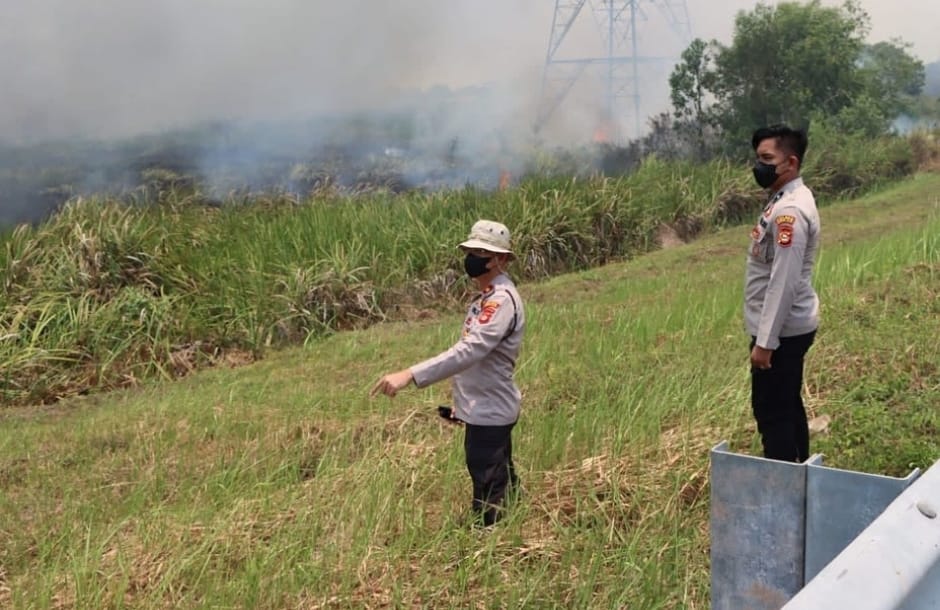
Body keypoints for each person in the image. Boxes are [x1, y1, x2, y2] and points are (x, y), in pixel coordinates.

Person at [371, 219, 525, 526]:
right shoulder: (486, 298)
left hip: (491, 410)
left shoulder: (500, 302)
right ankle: (511, 516)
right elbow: (475, 361)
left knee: (487, 484)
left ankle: (489, 541)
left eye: (484, 252)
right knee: (498, 473)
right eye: (472, 250)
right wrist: (462, 405)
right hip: (483, 406)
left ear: (502, 259)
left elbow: (470, 351)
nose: (475, 257)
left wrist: (410, 374)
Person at [745, 124, 820, 463]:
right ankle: (800, 475)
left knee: (773, 413)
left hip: (781, 332)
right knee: (787, 405)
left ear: (789, 163)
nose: (758, 166)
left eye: (766, 158)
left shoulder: (789, 211)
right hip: (785, 329)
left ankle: (783, 485)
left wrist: (765, 342)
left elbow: (783, 281)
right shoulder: (783, 199)